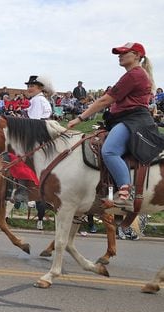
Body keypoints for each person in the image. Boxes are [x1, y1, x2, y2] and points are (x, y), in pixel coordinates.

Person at [67, 42, 158, 207]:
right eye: (119, 53)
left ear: (137, 55)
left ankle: (126, 195)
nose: (120, 55)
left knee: (109, 151)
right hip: (128, 119)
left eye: (124, 53)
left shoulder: (134, 75)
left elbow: (105, 100)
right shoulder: (136, 74)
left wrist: (79, 119)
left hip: (133, 121)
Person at [24, 75, 54, 229]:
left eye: (32, 86)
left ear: (40, 88)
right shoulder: (41, 100)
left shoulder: (36, 100)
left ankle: (24, 191)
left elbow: (33, 123)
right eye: (28, 86)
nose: (29, 88)